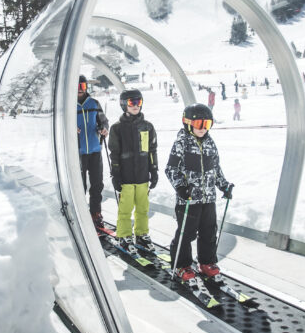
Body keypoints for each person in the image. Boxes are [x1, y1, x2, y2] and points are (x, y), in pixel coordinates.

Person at [165, 103, 233, 281]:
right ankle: (181, 265)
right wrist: (180, 187)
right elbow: (171, 169)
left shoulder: (210, 143)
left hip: (208, 198)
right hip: (188, 200)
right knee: (186, 233)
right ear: (188, 123)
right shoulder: (181, 143)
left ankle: (206, 262)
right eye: (199, 125)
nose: (203, 129)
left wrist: (224, 186)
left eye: (207, 125)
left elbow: (216, 169)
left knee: (209, 231)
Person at [108, 89, 157, 249]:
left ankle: (141, 234)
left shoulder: (147, 126)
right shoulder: (117, 128)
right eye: (132, 102)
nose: (136, 106)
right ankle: (124, 235)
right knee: (125, 209)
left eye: (139, 102)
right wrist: (116, 175)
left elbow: (151, 150)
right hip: (126, 177)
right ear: (124, 104)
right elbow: (114, 154)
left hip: (143, 176)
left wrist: (154, 170)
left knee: (143, 208)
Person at [76, 75, 109, 228]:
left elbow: (103, 120)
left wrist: (103, 128)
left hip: (95, 150)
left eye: (82, 86)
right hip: (77, 152)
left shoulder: (94, 103)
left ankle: (95, 213)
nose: (79, 90)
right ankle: (80, 213)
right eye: (76, 87)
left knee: (97, 184)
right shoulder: (69, 106)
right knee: (79, 186)